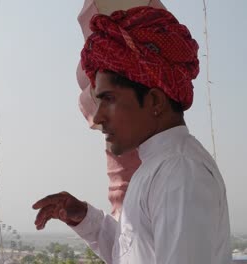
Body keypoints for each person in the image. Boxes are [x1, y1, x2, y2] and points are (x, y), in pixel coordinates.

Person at [33, 7, 231, 264]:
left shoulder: (179, 171)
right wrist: (84, 217)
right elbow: (134, 254)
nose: (99, 116)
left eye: (109, 99)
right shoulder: (159, 166)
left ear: (155, 101)